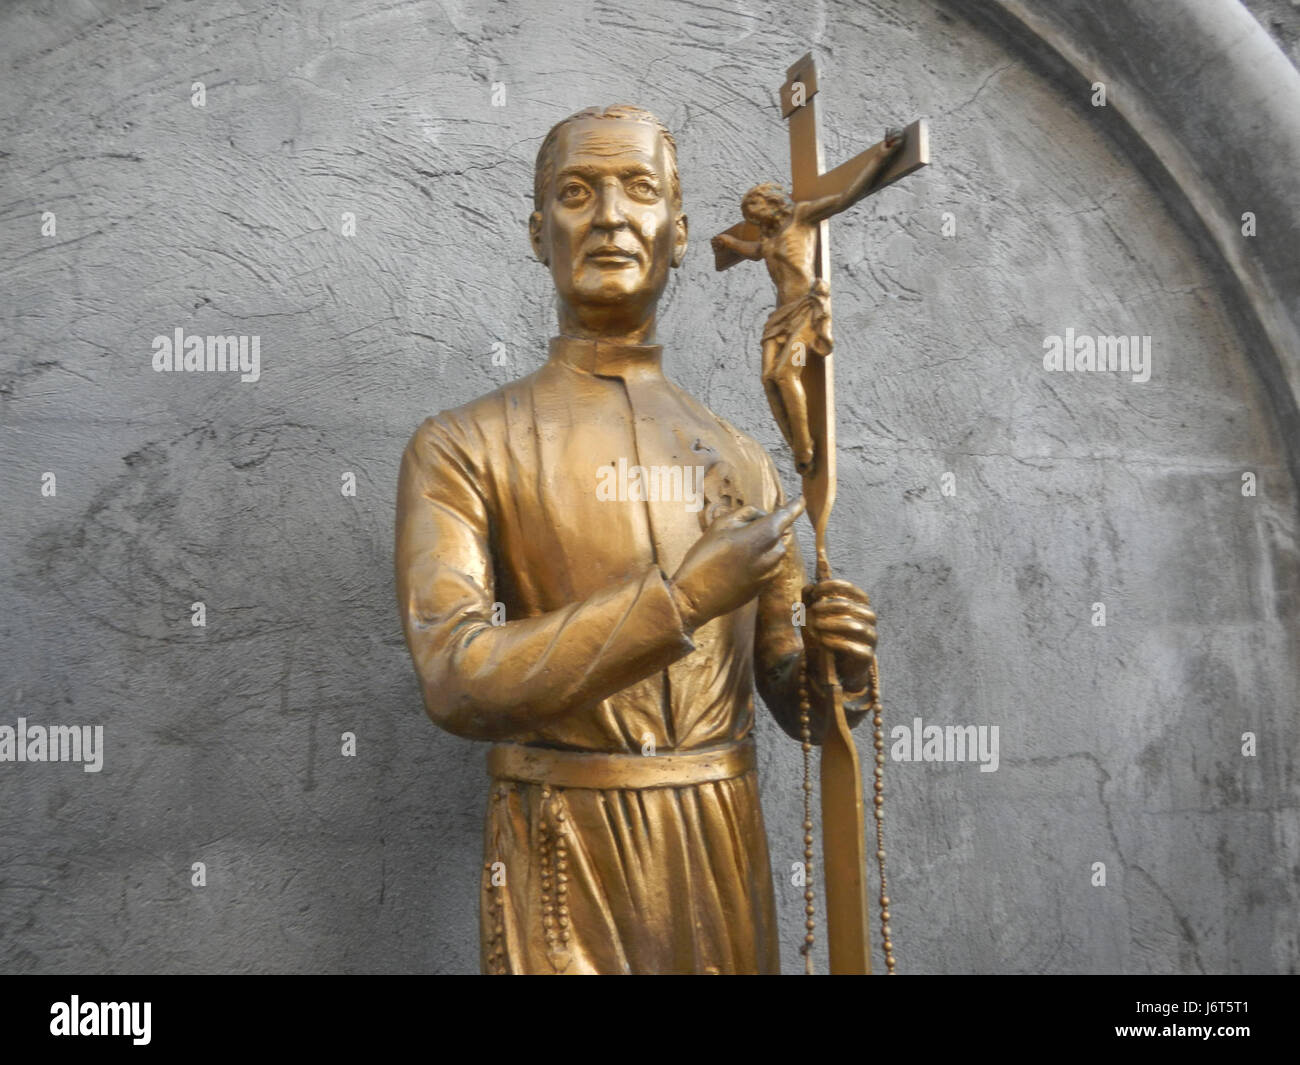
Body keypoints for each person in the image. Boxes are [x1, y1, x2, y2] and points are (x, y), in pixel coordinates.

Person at [395, 105, 879, 974]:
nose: (611, 215)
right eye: (577, 192)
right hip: (562, 849)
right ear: (539, 232)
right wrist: (686, 598)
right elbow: (455, 676)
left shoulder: (741, 456)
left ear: (680, 234)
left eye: (640, 189)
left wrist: (834, 671)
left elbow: (784, 687)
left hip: (721, 843)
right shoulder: (464, 443)